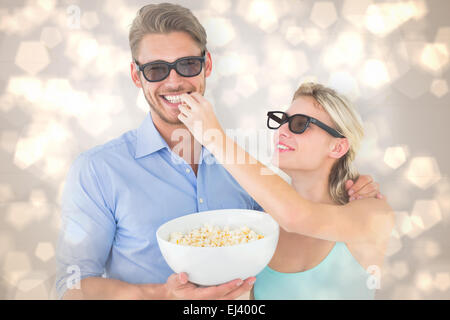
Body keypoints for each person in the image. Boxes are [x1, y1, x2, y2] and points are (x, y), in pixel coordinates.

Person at [56, 3, 381, 300]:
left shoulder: (248, 170)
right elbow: (71, 289)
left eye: (186, 64)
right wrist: (160, 294)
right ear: (136, 75)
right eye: (156, 69)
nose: (173, 81)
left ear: (206, 64)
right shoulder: (98, 170)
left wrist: (348, 187)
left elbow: (298, 217)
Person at [178, 82, 394, 299]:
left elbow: (296, 216)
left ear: (337, 147)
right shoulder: (259, 225)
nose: (281, 130)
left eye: (300, 124)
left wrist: (215, 138)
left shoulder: (373, 213)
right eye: (283, 120)